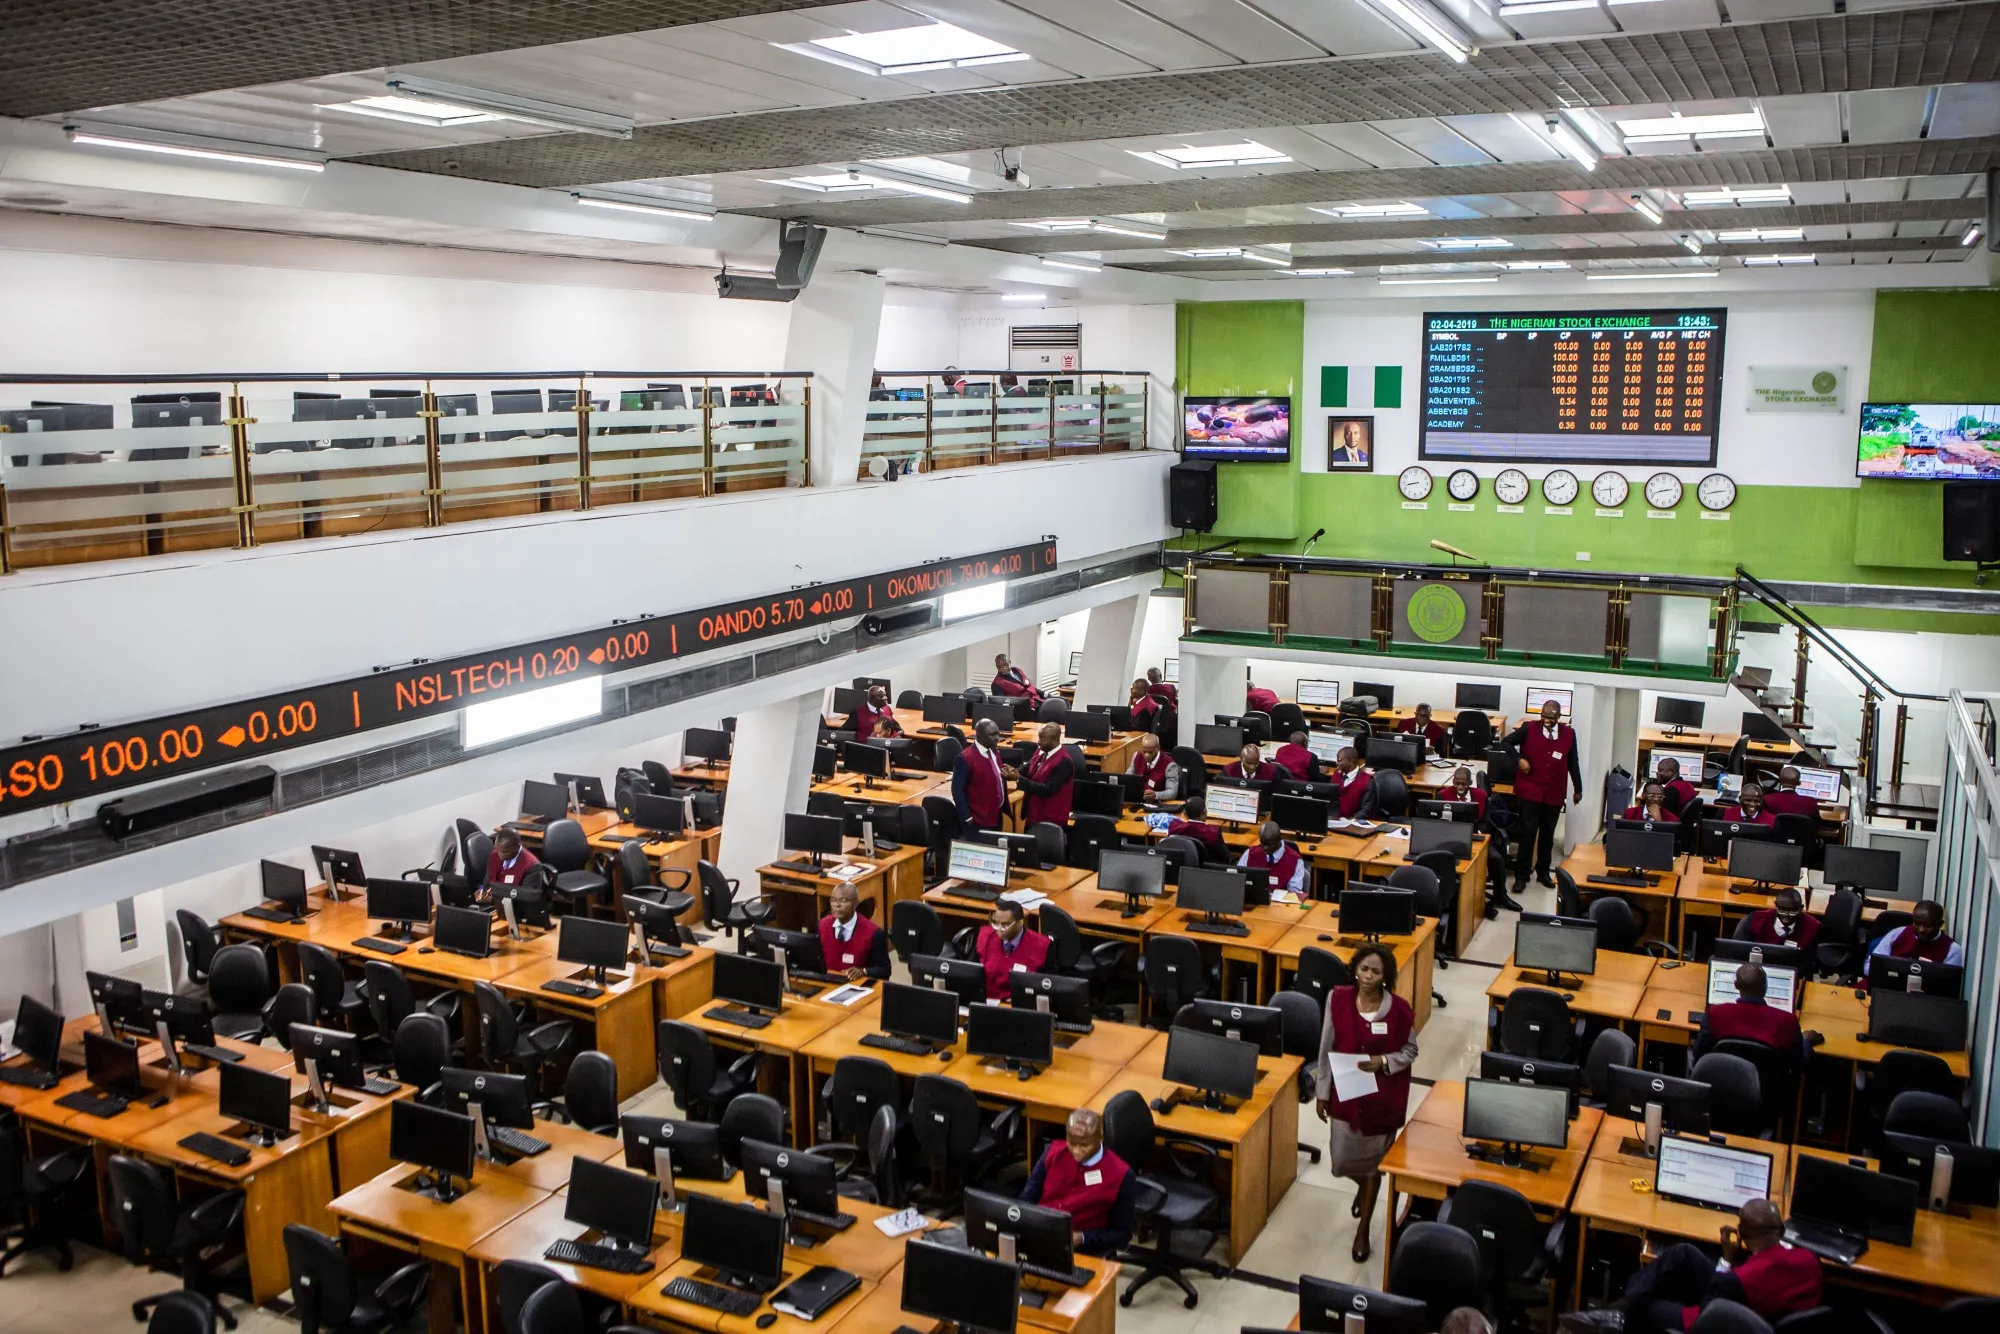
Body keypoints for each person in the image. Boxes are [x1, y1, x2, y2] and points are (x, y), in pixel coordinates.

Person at [1559, 1199, 1821, 1334]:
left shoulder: (1738, 1279)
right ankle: (1619, 1308)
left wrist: (1727, 1260)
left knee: (1649, 1305)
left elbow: (1711, 1311)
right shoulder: (1810, 1260)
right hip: (1763, 1314)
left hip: (1731, 1322)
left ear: (1740, 1232)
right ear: (1782, 1229)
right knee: (1684, 1254)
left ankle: (1621, 1316)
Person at [1314, 941, 1417, 1264]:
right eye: (1364, 969)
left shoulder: (1399, 1010)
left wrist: (1383, 1061)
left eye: (1376, 971)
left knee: (1373, 1167)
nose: (1369, 976)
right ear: (1355, 969)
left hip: (1381, 1098)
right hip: (1346, 1093)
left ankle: (1363, 1230)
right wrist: (1321, 1091)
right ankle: (1363, 1185)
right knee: (1341, 1162)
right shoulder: (1338, 998)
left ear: (1386, 976)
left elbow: (1410, 1051)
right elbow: (1325, 1047)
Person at [1018, 1108, 1138, 1256]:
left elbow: (1122, 1235)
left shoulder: (1121, 1174)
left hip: (1082, 1249)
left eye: (1084, 1145)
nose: (1076, 1151)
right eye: (1072, 1143)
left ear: (1100, 1139)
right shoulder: (1052, 1152)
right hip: (1040, 1234)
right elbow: (1026, 1199)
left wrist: (1083, 1238)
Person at [1505, 698, 1584, 893]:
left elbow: (1573, 761)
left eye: (1551, 717)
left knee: (1548, 835)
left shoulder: (1568, 734)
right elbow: (1505, 743)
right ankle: (1522, 876)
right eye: (1544, 716)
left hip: (1554, 793)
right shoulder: (1528, 729)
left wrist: (1578, 788)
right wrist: (1519, 760)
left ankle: (1543, 872)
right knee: (1528, 834)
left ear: (1559, 716)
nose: (1547, 721)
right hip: (1530, 791)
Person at [1690, 963, 1819, 1073]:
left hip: (1722, 1086)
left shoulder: (1716, 1013)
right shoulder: (1787, 1020)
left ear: (1736, 985)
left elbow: (1698, 1053)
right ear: (1766, 986)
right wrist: (1806, 1040)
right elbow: (1798, 1065)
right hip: (1769, 1092)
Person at [974, 899, 1049, 1000]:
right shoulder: (986, 938)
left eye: (1005, 925)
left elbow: (1046, 985)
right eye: (996, 923)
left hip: (1020, 1005)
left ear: (1020, 923)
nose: (999, 929)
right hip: (987, 1000)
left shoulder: (1041, 945)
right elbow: (972, 973)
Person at [818, 881, 890, 982]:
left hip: (857, 986)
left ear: (855, 903)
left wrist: (863, 971)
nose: (837, 905)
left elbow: (885, 970)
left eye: (843, 900)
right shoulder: (821, 925)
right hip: (827, 982)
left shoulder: (874, 933)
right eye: (833, 900)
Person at [952, 718, 1009, 836]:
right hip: (978, 820)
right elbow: (957, 791)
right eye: (992, 735)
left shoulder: (994, 751)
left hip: (996, 816)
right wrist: (967, 818)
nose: (997, 738)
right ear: (979, 735)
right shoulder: (965, 758)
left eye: (997, 733)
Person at [1869, 899, 1963, 966]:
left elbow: (1949, 985)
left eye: (1928, 925)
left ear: (1940, 924)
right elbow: (1869, 966)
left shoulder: (1952, 950)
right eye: (1917, 924)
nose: (1921, 929)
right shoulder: (1898, 933)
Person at [1018, 722, 1076, 827]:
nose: (1038, 742)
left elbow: (1048, 790)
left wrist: (1018, 779)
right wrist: (1013, 771)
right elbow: (1029, 768)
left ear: (1054, 740)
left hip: (1050, 819)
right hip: (1033, 814)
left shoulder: (1064, 762)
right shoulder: (1042, 751)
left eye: (1043, 739)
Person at [1237, 820, 1308, 898]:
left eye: (1269, 844)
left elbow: (1294, 893)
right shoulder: (1251, 853)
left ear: (1280, 839)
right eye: (1263, 844)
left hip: (1280, 906)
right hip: (1254, 901)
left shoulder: (1295, 860)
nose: (1265, 848)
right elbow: (1238, 879)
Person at [1743, 887, 1820, 952]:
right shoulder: (1757, 919)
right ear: (1776, 906)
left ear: (1801, 909)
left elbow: (1810, 959)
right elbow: (1740, 948)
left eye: (1792, 911)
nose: (1786, 915)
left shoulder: (1812, 927)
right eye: (1782, 910)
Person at [1128, 733, 1180, 801]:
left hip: (1158, 804)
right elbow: (1127, 778)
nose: (1146, 755)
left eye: (1150, 752)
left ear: (1158, 748)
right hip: (1138, 800)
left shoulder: (1170, 765)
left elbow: (1172, 792)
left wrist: (1156, 795)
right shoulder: (1137, 756)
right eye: (1144, 751)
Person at [1331, 746, 1375, 819]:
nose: (1337, 763)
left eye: (1339, 760)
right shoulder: (1336, 775)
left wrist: (1350, 821)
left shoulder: (1367, 781)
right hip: (1333, 819)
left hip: (1353, 822)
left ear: (1349, 760)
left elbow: (1366, 810)